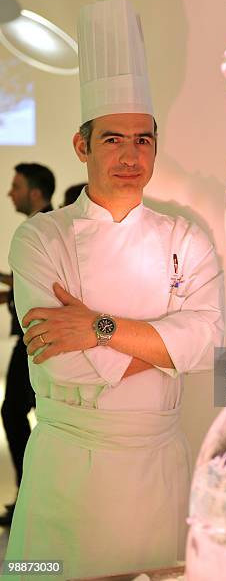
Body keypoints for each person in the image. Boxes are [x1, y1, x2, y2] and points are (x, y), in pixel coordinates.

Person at [5, 0, 223, 579]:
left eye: (142, 139)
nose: (130, 155)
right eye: (112, 139)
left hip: (158, 469)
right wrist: (165, 347)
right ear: (83, 145)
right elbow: (59, 366)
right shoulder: (40, 240)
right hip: (68, 473)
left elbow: (208, 343)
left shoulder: (185, 235)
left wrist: (99, 329)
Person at [0, 163, 55, 526]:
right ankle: (30, 495)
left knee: (16, 412)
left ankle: (30, 496)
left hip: (38, 339)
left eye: (16, 186)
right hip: (35, 337)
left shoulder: (46, 229)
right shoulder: (45, 228)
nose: (10, 193)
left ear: (35, 192)